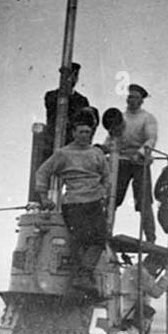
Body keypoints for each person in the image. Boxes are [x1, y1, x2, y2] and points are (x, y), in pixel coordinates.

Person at [35, 121, 109, 294]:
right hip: (74, 203)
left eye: (88, 132)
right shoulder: (63, 154)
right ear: (74, 132)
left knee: (100, 239)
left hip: (94, 202)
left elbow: (107, 176)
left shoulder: (96, 153)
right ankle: (81, 278)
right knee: (81, 239)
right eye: (81, 131)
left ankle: (83, 275)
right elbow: (42, 172)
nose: (85, 135)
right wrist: (43, 197)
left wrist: (103, 192)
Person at [111, 83, 158, 242]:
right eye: (130, 97)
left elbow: (151, 138)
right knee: (112, 197)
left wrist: (140, 153)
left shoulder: (147, 118)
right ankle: (105, 231)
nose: (131, 100)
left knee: (144, 200)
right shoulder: (120, 118)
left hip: (139, 162)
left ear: (141, 101)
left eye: (135, 98)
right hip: (122, 160)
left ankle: (150, 237)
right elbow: (112, 137)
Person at [39, 63, 99, 162]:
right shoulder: (51, 96)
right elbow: (55, 113)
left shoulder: (82, 100)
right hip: (52, 143)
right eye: (68, 76)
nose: (71, 79)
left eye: (75, 76)